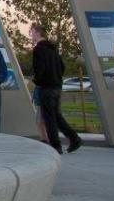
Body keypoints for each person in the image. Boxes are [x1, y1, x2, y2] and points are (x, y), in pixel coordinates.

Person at [30, 23, 82, 154]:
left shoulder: (38, 50)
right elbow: (62, 67)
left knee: (49, 118)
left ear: (37, 33)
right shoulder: (53, 50)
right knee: (57, 116)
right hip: (57, 87)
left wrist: (37, 80)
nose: (31, 35)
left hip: (46, 88)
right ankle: (74, 138)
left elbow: (39, 69)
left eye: (32, 33)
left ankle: (55, 146)